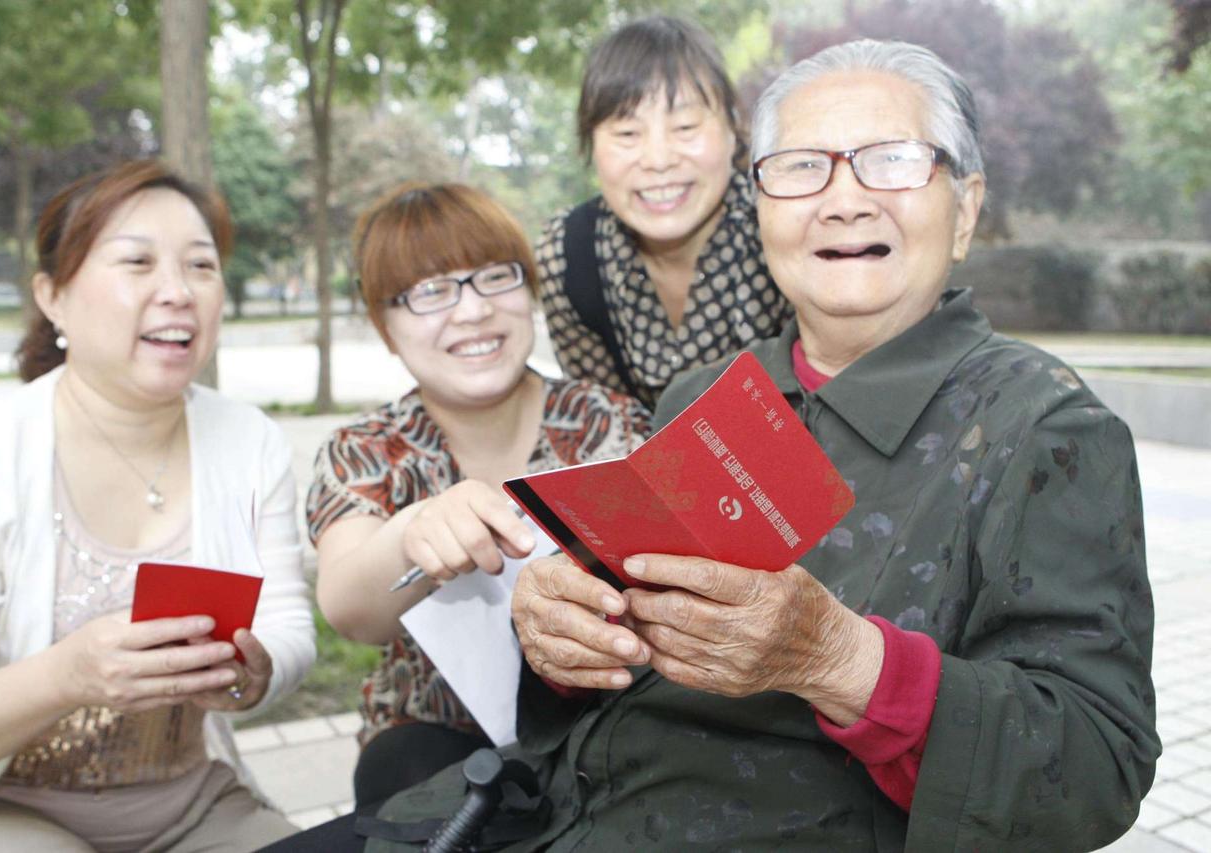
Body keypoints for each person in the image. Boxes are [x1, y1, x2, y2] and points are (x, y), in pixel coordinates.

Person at [353, 40, 1160, 852]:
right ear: (762, 210)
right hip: (539, 808)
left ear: (967, 207)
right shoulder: (701, 396)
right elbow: (619, 651)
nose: (844, 201)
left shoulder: (1045, 429)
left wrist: (841, 660)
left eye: (892, 160)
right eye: (802, 167)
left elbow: (1096, 768)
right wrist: (563, 640)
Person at [0, 161, 316, 851]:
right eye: (137, 262)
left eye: (201, 266)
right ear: (53, 296)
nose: (178, 291)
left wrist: (252, 676)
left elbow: (288, 625)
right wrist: (66, 676)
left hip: (191, 804)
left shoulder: (248, 439)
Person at [307, 183, 650, 813]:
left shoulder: (610, 424)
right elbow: (350, 610)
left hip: (605, 709)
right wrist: (413, 531)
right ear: (385, 327)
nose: (471, 311)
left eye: (495, 277)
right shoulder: (365, 450)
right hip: (436, 734)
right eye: (430, 291)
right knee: (404, 772)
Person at [536, 15, 790, 408]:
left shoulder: (788, 227)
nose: (658, 160)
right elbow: (608, 423)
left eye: (685, 127)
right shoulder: (569, 256)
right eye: (627, 134)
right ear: (591, 146)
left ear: (732, 129)